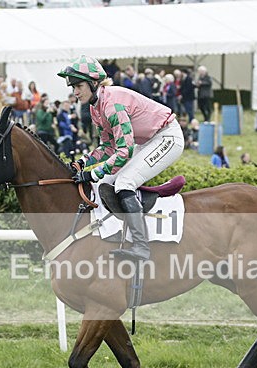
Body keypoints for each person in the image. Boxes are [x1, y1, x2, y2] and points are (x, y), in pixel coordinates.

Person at [57, 55, 185, 262]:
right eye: (73, 87)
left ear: (93, 83)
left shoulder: (112, 103)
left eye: (79, 85)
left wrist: (92, 172)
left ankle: (142, 247)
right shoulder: (95, 106)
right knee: (103, 182)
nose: (75, 92)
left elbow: (123, 151)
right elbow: (108, 147)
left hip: (168, 137)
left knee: (125, 182)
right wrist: (83, 163)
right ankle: (115, 233)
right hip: (147, 140)